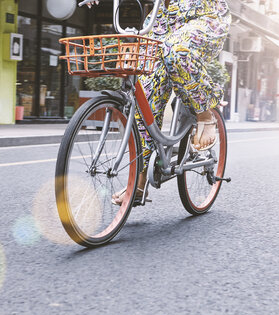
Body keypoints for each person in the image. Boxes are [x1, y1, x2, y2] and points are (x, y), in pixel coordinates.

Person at [86, 0, 231, 205]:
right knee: (143, 93)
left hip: (203, 14)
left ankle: (204, 113)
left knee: (178, 52)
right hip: (163, 18)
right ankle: (139, 183)